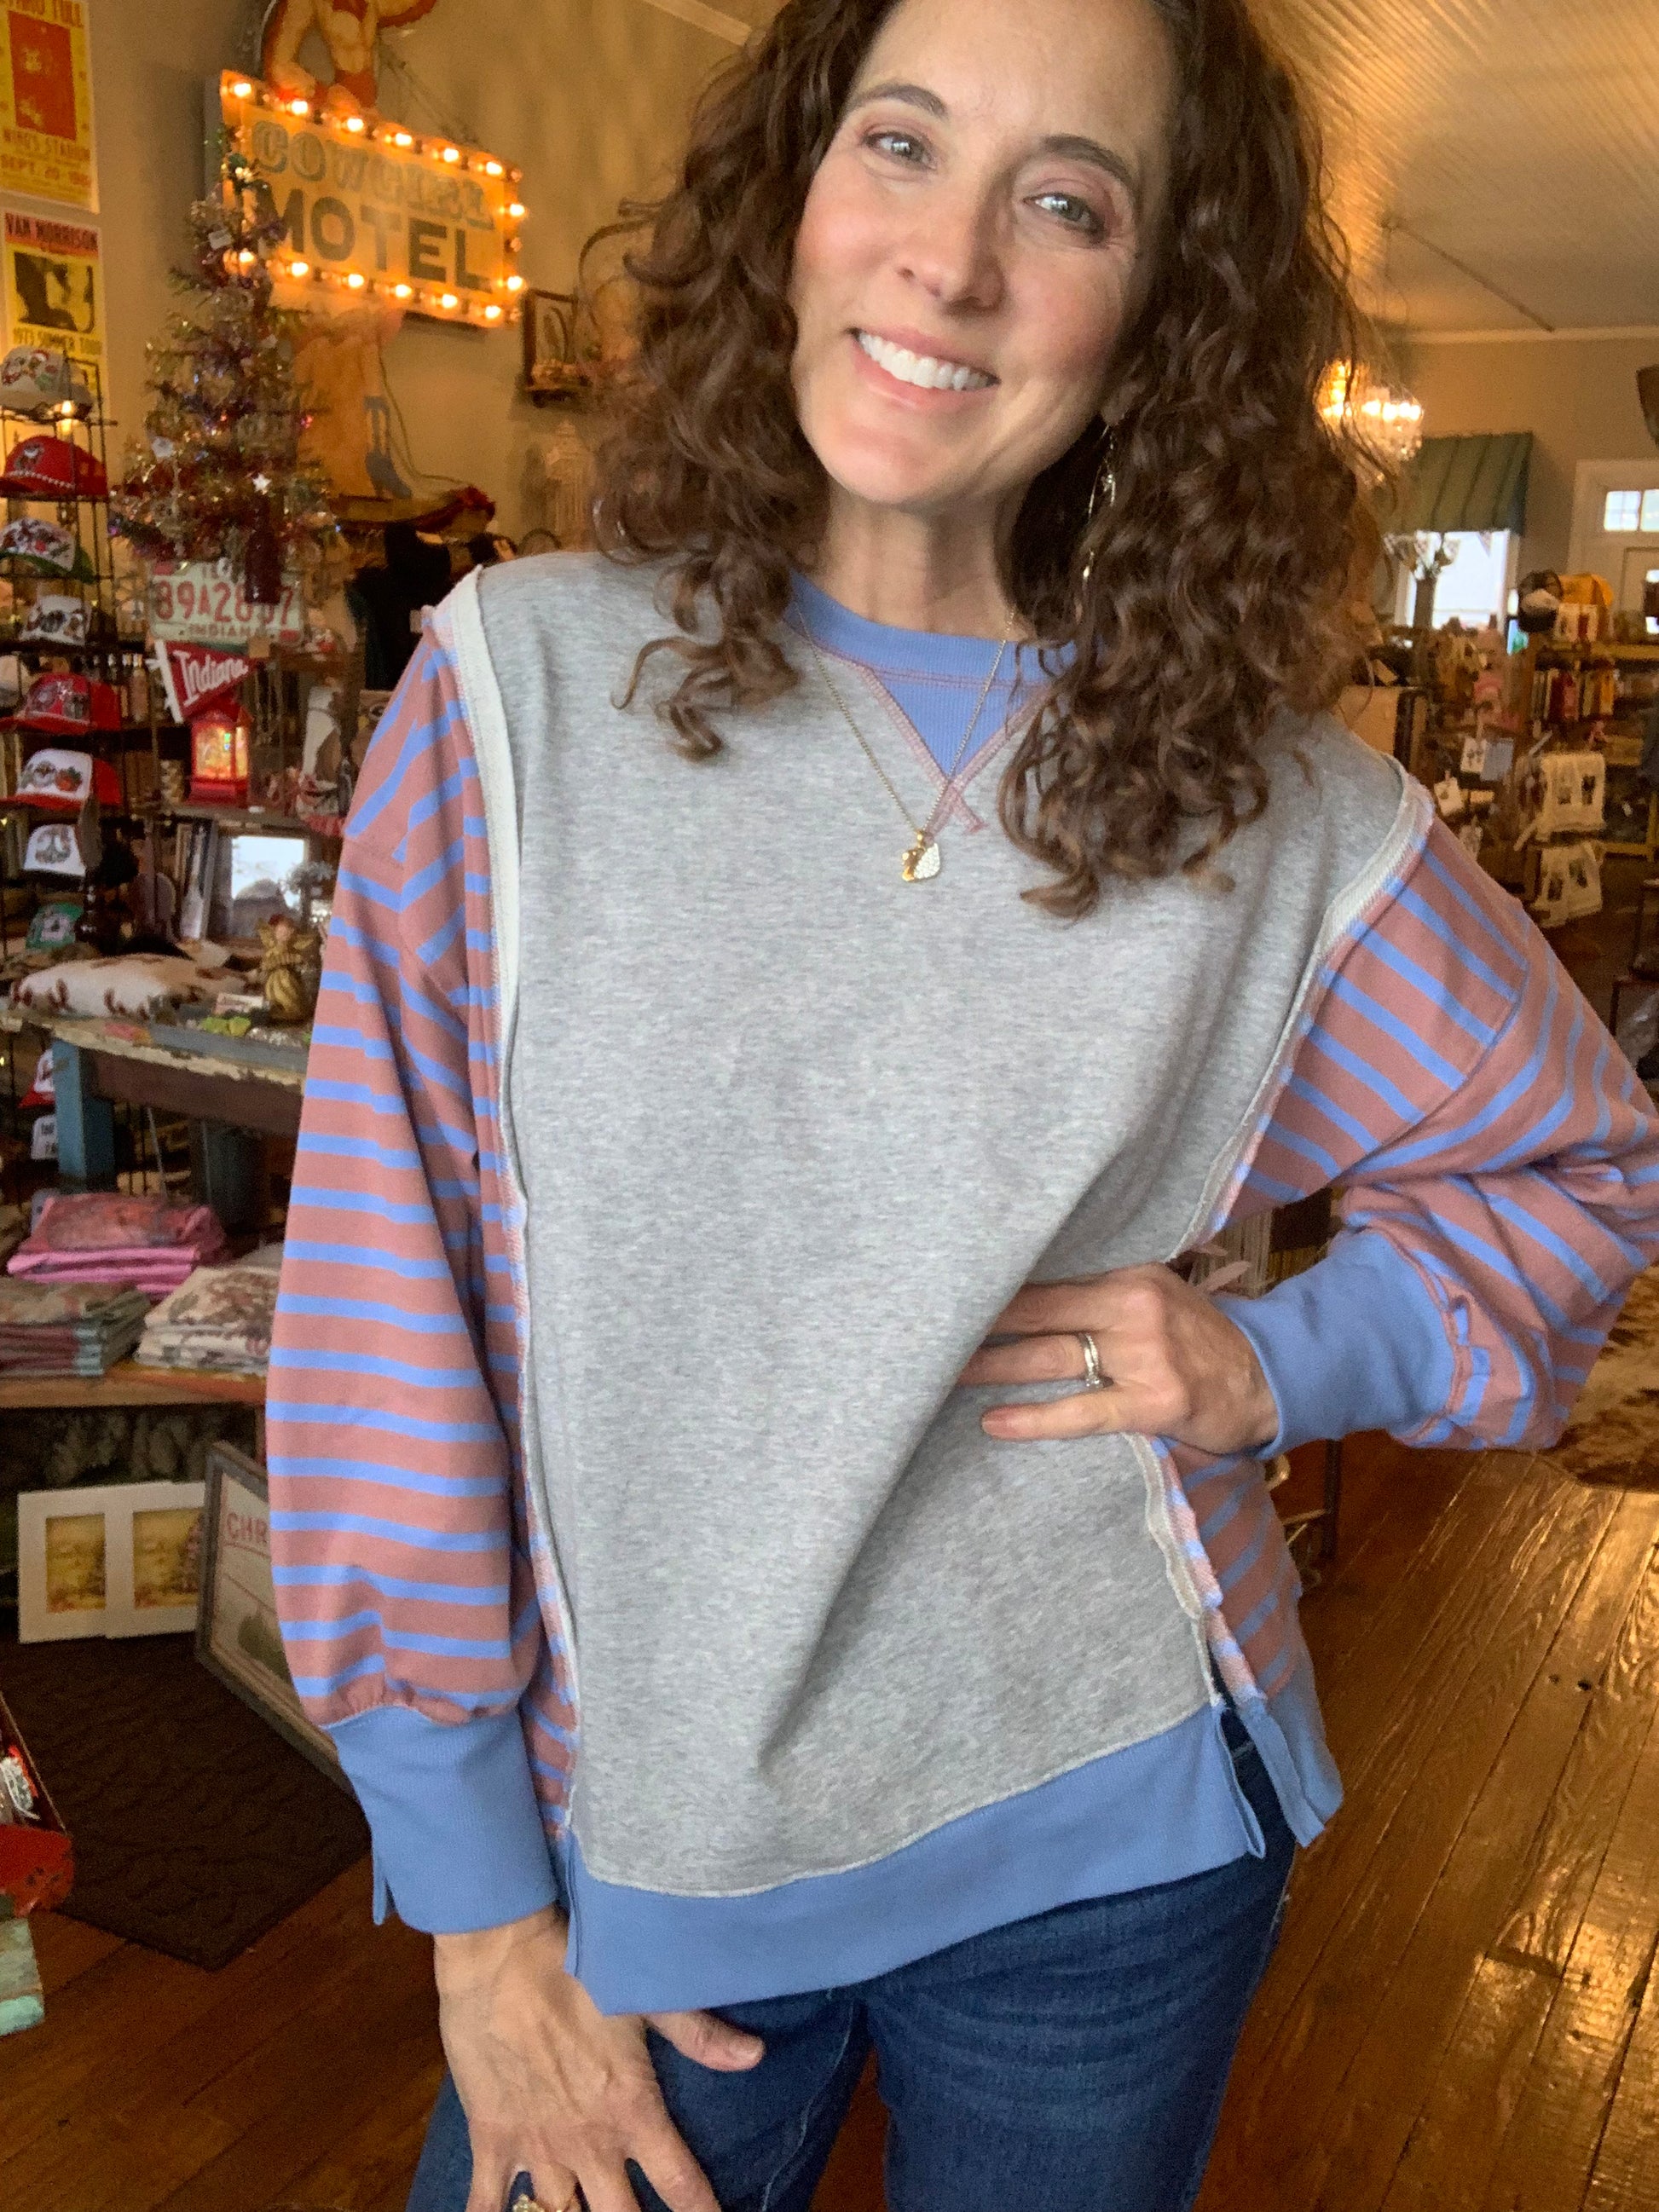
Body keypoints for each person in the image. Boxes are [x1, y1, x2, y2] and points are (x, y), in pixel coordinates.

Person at [268, 1, 1659, 2207]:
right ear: (796, 198)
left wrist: (1275, 1357)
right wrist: (478, 1910)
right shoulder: (517, 698)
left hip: (1115, 1820)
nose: (951, 257)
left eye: (1067, 200)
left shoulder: (1274, 805)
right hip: (647, 1836)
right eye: (901, 144)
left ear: (1162, 307)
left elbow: (1579, 1158)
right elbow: (381, 1309)